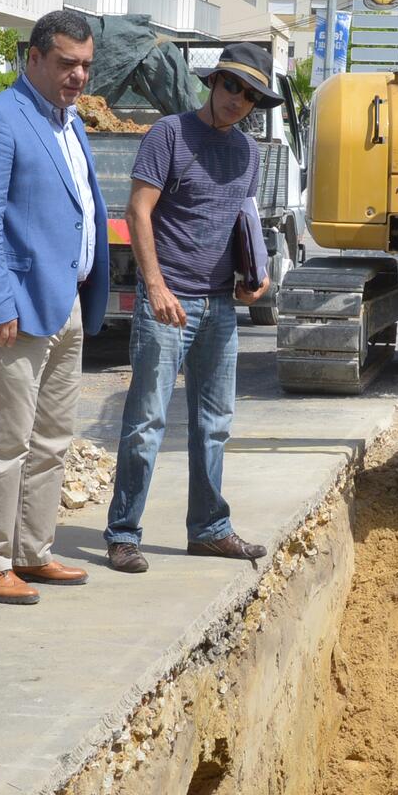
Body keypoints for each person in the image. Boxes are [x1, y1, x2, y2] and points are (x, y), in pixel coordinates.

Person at [0, 8, 110, 605]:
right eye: (67, 63)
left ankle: (31, 551)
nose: (78, 76)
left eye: (86, 65)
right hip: (14, 310)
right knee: (5, 439)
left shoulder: (70, 124)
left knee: (52, 438)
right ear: (35, 58)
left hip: (65, 300)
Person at [103, 42, 279, 573]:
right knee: (146, 421)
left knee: (214, 423)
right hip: (168, 303)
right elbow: (138, 211)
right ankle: (123, 534)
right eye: (232, 86)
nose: (238, 99)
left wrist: (256, 277)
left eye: (250, 95)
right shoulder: (169, 135)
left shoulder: (248, 154)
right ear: (214, 82)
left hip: (221, 305)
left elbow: (244, 221)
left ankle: (209, 530)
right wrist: (155, 287)